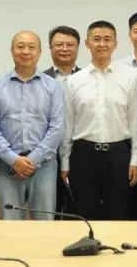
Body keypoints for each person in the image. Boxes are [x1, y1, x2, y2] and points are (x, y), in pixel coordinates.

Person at [60, 20, 137, 220]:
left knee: (119, 212)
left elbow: (136, 123)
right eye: (96, 39)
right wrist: (65, 162)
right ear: (87, 43)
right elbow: (67, 125)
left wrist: (135, 160)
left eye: (107, 39)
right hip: (83, 155)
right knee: (84, 213)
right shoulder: (73, 81)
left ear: (115, 44)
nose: (102, 44)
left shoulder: (129, 79)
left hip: (119, 155)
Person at [0, 31, 65, 220]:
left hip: (44, 166)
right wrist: (14, 160)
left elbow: (57, 128)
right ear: (12, 51)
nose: (25, 51)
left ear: (40, 52)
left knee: (44, 222)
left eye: (31, 47)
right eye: (20, 46)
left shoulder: (52, 86)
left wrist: (32, 160)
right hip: (8, 166)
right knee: (10, 222)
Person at [43, 25, 80, 216]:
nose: (64, 49)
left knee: (78, 209)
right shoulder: (39, 79)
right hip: (47, 155)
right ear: (50, 48)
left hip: (80, 154)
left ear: (78, 47)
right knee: (50, 211)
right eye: (59, 44)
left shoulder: (88, 78)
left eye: (70, 44)